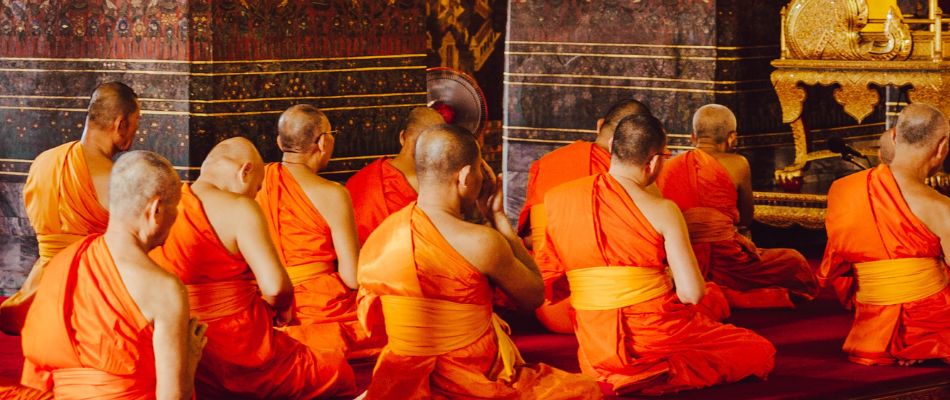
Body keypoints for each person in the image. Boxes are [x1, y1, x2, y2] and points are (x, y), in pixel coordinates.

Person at [357, 124, 603, 399]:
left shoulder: (383, 234)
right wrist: (499, 220)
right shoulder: (481, 241)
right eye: (477, 169)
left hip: (401, 378)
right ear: (464, 176)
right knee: (585, 390)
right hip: (469, 377)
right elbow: (534, 295)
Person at [538, 114, 775, 395]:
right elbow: (691, 294)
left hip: (593, 343)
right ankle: (646, 373)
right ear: (653, 161)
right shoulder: (662, 210)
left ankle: (622, 373)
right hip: (653, 333)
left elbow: (552, 274)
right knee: (759, 350)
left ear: (613, 145)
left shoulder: (559, 198)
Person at [149, 137, 356, 398]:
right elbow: (276, 287)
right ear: (245, 171)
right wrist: (282, 312)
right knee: (336, 372)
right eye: (258, 187)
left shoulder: (165, 207)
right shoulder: (241, 208)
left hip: (178, 344)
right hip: (238, 349)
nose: (257, 194)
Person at [20, 151, 206, 399]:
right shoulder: (164, 288)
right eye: (176, 207)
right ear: (156, 210)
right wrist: (190, 360)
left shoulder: (63, 263)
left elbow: (38, 363)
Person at [1, 82, 140, 335]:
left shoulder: (44, 161)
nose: (135, 134)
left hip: (39, 293)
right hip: (90, 298)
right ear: (120, 124)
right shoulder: (118, 180)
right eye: (135, 124)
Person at [821, 103, 950, 366]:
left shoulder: (843, 190)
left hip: (868, 328)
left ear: (893, 136)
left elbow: (835, 269)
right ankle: (920, 343)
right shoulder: (940, 208)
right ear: (942, 147)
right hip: (930, 324)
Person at [657, 104, 818, 308]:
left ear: (693, 137)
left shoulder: (669, 166)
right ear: (732, 137)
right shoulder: (738, 163)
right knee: (793, 261)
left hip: (683, 262)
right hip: (729, 260)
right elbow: (746, 218)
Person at [518, 99, 659, 333]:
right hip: (607, 309)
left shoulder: (547, 163)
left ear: (600, 125)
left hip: (547, 303)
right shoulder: (635, 180)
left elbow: (532, 240)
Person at [256, 105, 383, 359]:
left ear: (280, 142)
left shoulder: (258, 182)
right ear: (324, 142)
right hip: (318, 307)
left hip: (264, 304)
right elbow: (351, 277)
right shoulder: (333, 194)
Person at [346, 107, 445, 243]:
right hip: (408, 261)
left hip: (362, 261)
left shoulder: (360, 180)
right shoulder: (437, 187)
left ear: (402, 137)